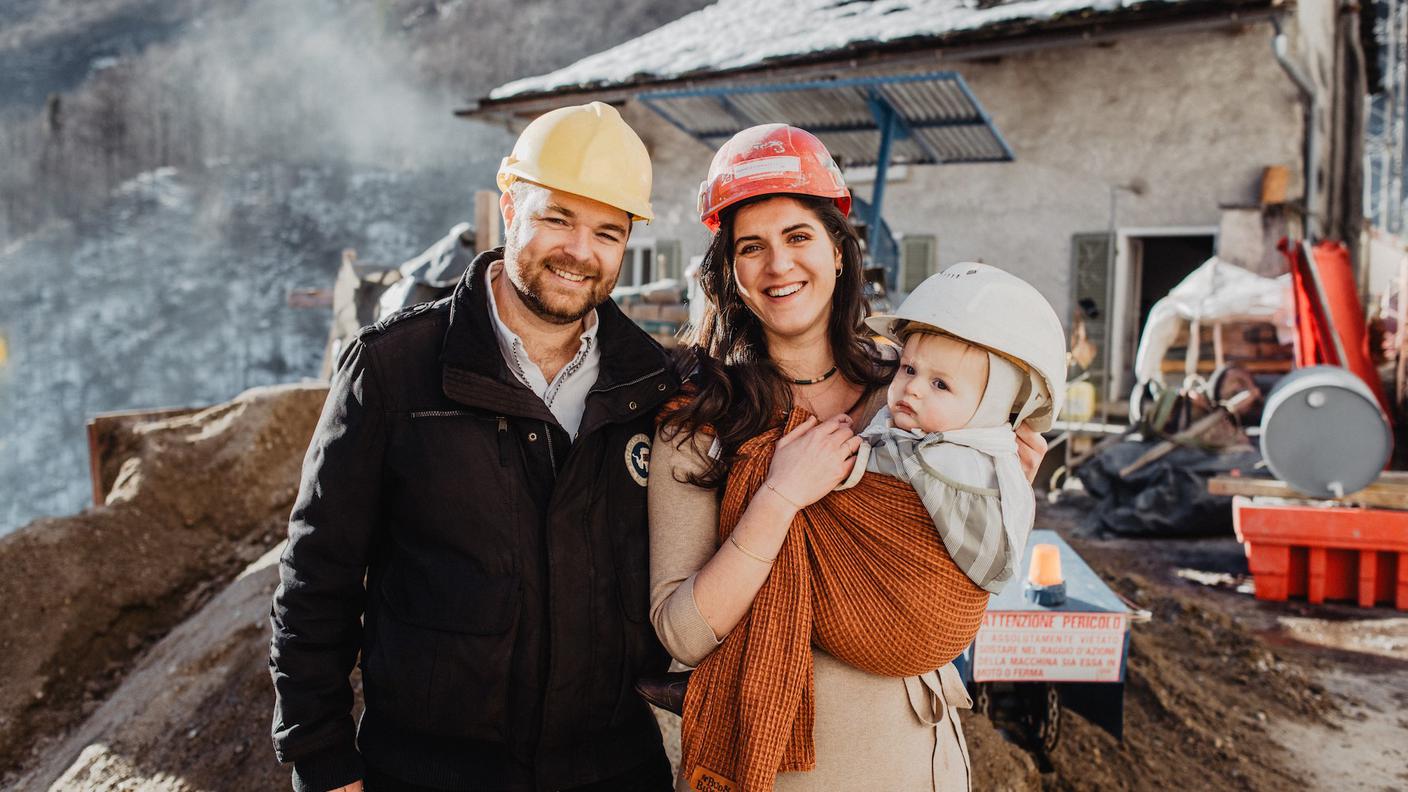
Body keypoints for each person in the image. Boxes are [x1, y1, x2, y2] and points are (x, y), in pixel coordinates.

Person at [269, 102, 678, 792]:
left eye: (607, 231)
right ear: (510, 203)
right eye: (558, 218)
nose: (581, 251)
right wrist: (323, 761)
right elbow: (317, 579)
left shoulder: (653, 384)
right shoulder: (395, 369)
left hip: (612, 769)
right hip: (430, 771)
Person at [647, 124, 1048, 792]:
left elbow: (956, 586)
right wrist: (777, 499)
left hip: (921, 755)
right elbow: (682, 633)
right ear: (730, 273)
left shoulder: (919, 394)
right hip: (790, 768)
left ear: (839, 251)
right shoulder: (701, 424)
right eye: (752, 247)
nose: (779, 265)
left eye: (798, 237)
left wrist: (996, 496)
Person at [839, 263, 1068, 594]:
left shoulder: (951, 465)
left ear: (990, 409)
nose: (913, 388)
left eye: (940, 384)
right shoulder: (905, 429)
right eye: (908, 369)